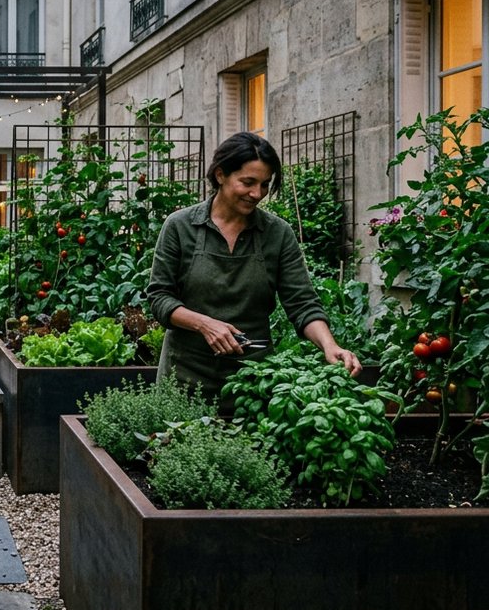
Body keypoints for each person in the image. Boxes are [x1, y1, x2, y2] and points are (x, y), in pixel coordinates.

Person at [146, 132, 360, 407]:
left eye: (264, 184)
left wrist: (330, 346)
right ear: (221, 175)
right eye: (248, 182)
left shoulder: (277, 234)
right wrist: (205, 324)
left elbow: (302, 304)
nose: (257, 193)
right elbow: (159, 297)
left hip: (253, 381)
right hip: (185, 378)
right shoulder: (180, 226)